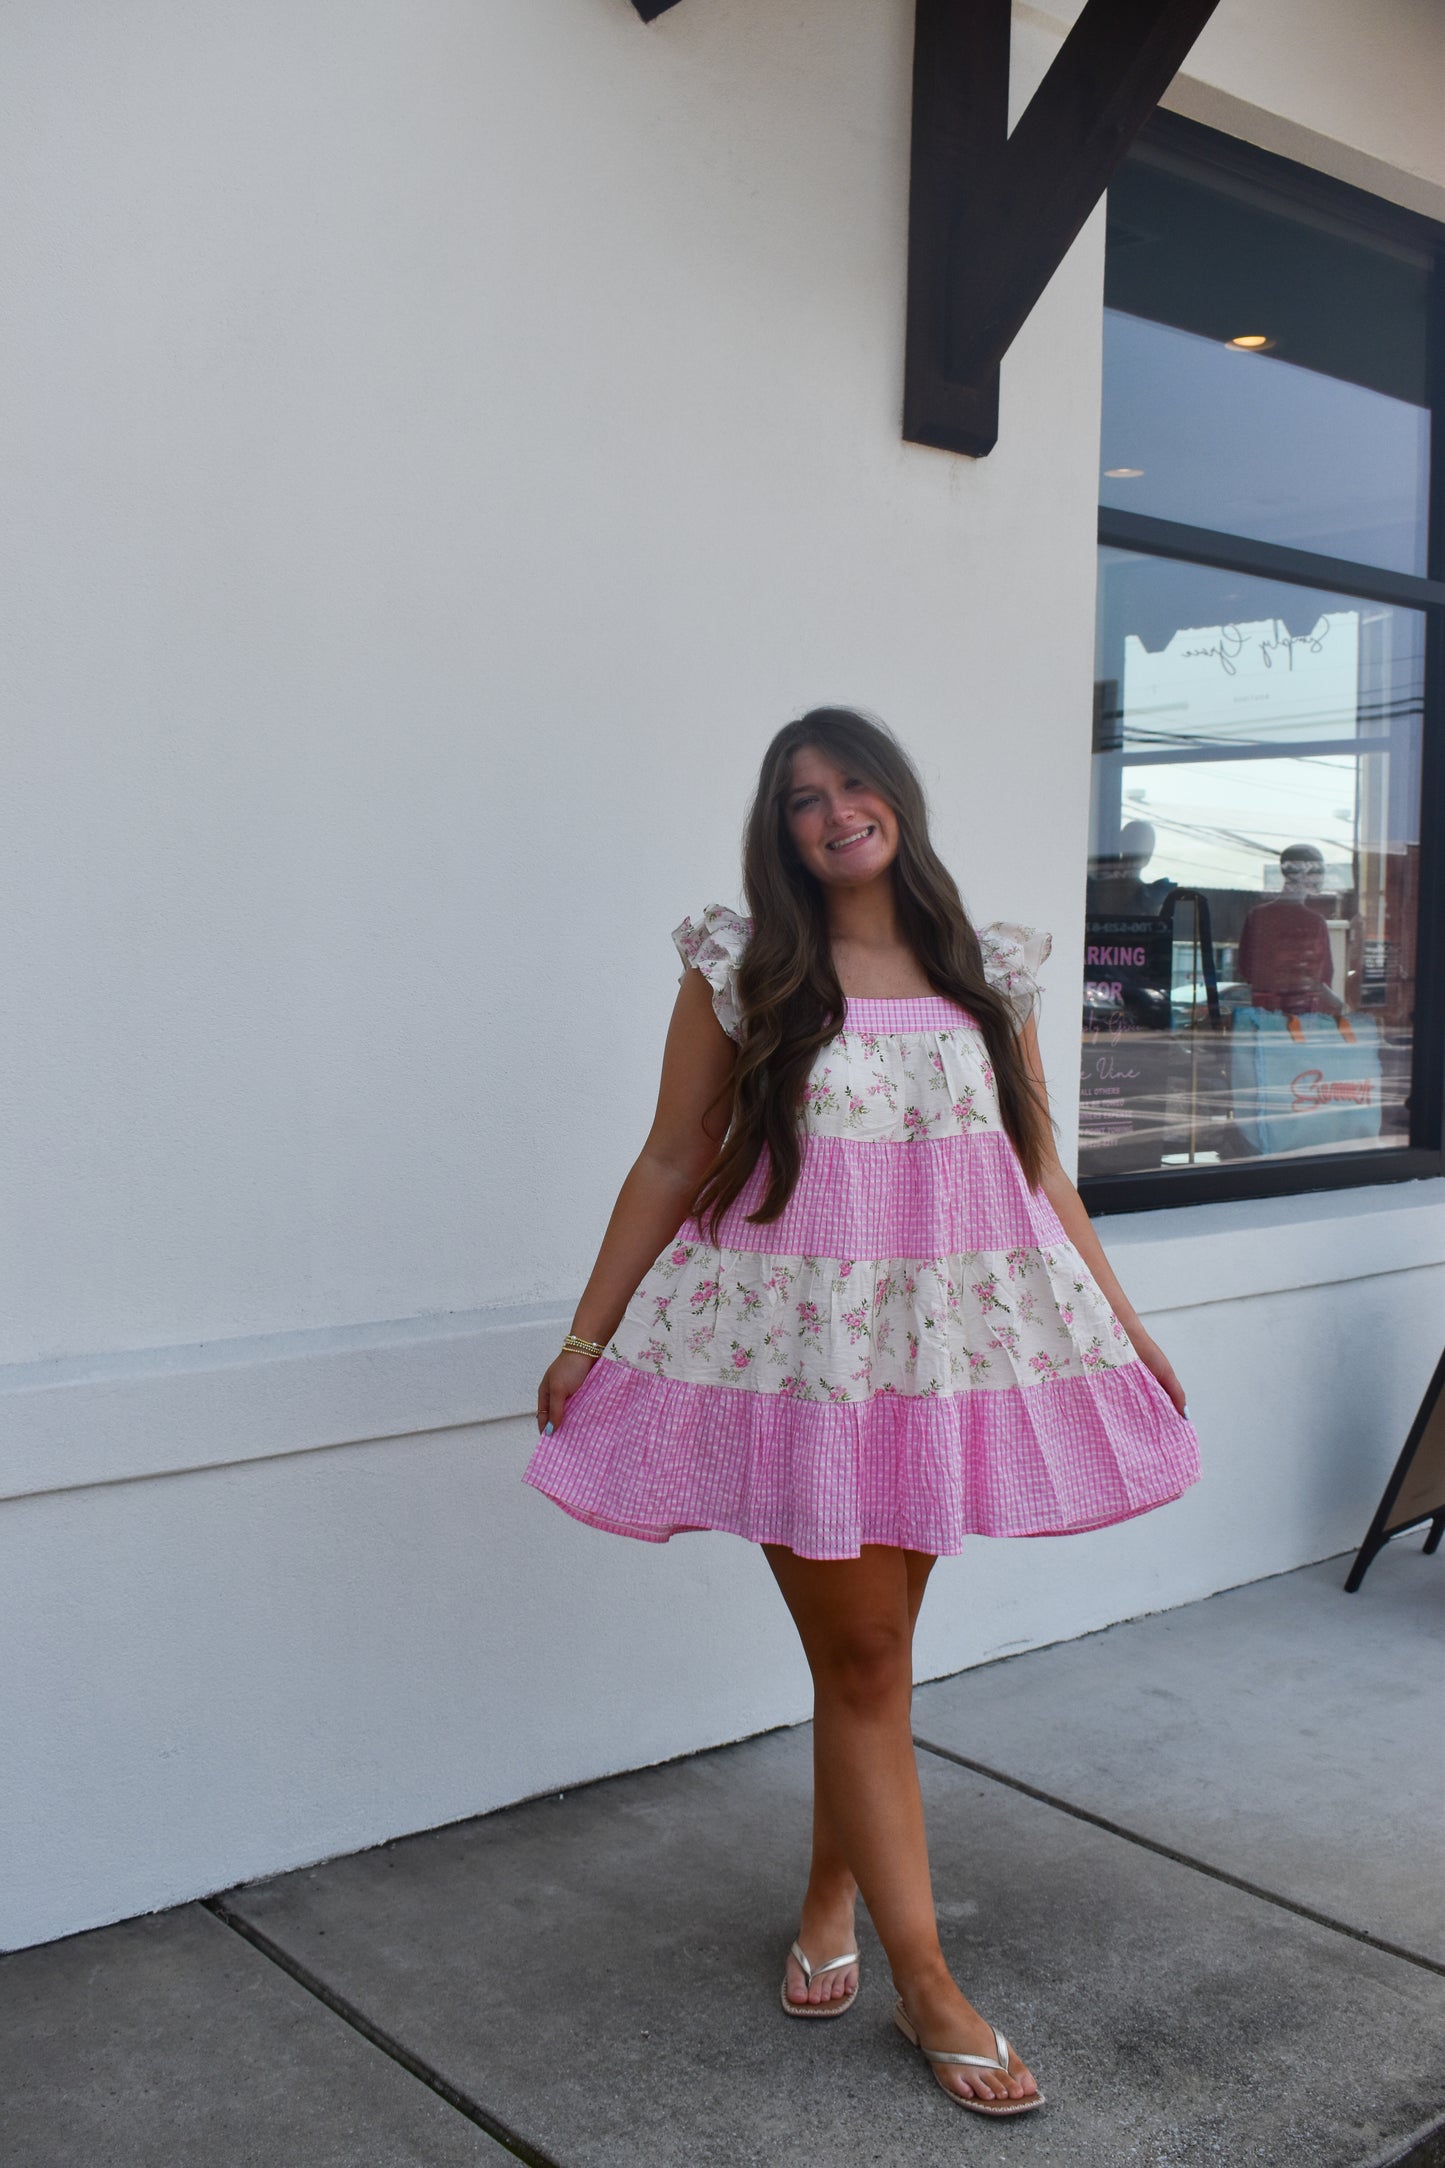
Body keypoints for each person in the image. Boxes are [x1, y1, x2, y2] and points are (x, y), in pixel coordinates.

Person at [525, 708, 1200, 2118]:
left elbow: (1039, 1170)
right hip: (795, 1356)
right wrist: (591, 1329)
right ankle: (929, 1983)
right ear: (778, 833)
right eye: (799, 799)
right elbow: (669, 1156)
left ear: (896, 792)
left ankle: (830, 1886)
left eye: (850, 782)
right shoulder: (746, 970)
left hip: (943, 1352)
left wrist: (1126, 1325)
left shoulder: (983, 967)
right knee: (869, 1659)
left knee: (873, 1664)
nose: (832, 812)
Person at [1237, 844, 1339, 1016]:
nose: (1322, 877)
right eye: (1318, 870)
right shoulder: (1314, 922)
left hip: (1263, 1013)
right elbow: (1322, 977)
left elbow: (1245, 968)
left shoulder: (1258, 915)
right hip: (1303, 1014)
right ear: (1302, 873)